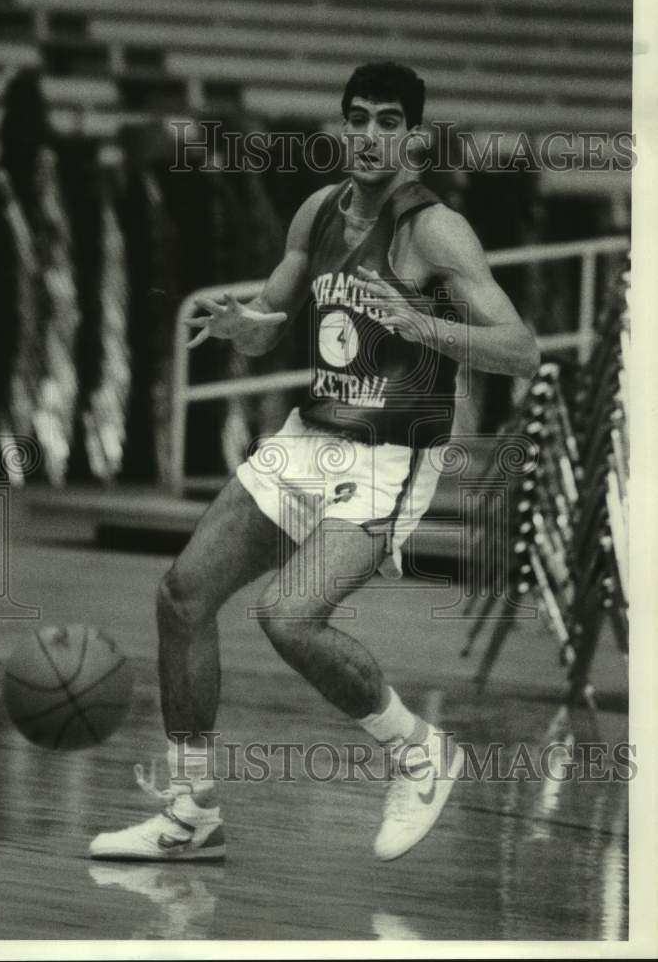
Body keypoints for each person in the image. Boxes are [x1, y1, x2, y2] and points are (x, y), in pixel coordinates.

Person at [90, 61, 540, 863]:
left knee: (288, 615)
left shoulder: (434, 231)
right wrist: (247, 324)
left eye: (388, 121)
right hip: (310, 436)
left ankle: (419, 752)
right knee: (183, 596)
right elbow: (275, 311)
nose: (369, 135)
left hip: (390, 457)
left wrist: (425, 326)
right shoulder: (317, 211)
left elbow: (520, 349)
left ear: (413, 136)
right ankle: (191, 814)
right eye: (357, 118)